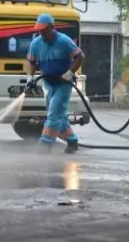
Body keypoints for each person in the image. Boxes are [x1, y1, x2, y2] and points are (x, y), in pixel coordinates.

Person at [25, 13, 85, 154]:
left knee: (53, 114)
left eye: (44, 29)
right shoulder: (36, 43)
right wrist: (30, 78)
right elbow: (31, 62)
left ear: (52, 27)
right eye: (39, 29)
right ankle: (72, 140)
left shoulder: (64, 41)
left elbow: (80, 56)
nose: (41, 32)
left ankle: (44, 145)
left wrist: (69, 73)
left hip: (63, 84)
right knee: (59, 115)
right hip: (49, 84)